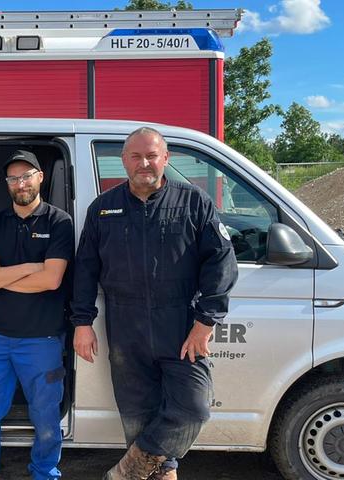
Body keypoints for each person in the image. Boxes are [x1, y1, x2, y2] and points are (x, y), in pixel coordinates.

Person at [70, 127, 238, 480]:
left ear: (165, 159)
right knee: (136, 418)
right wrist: (82, 321)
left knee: (194, 408)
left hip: (181, 326)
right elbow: (85, 268)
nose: (144, 163)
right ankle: (156, 472)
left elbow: (221, 263)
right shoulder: (103, 209)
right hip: (125, 326)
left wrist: (206, 321)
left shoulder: (194, 202)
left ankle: (127, 472)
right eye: (136, 156)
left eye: (151, 155)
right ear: (124, 161)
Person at [0, 150, 74, 480]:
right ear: (7, 184)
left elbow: (52, 279)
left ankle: (45, 472)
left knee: (45, 417)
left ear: (40, 177)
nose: (20, 183)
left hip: (42, 340)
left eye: (26, 176)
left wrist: (3, 278)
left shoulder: (59, 222)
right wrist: (30, 268)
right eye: (13, 178)